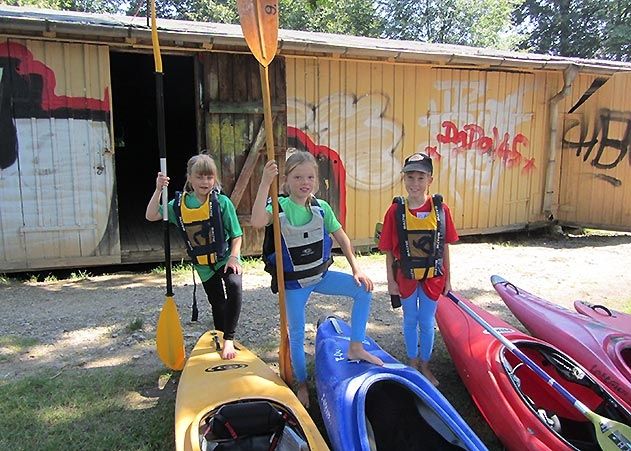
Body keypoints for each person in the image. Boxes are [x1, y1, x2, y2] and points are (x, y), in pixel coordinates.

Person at [251, 151, 383, 407]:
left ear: (317, 180)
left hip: (320, 276)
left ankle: (356, 346)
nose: (305, 182)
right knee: (298, 333)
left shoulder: (321, 208)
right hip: (295, 284)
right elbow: (257, 221)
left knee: (363, 290)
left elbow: (342, 237)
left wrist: (356, 269)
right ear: (286, 180)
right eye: (298, 177)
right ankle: (301, 383)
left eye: (310, 177)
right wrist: (266, 182)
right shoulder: (279, 207)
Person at [146, 153, 243, 360]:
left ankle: (229, 339)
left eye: (209, 177)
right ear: (189, 177)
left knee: (234, 285)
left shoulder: (222, 202)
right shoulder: (177, 205)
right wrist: (158, 190)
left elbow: (236, 235)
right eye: (200, 177)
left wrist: (234, 258)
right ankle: (220, 334)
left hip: (225, 257)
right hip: (203, 265)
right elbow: (151, 215)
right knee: (217, 302)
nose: (205, 182)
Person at [378, 152, 458, 386]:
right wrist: (390, 281)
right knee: (410, 319)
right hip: (406, 276)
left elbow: (444, 246)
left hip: (433, 277)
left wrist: (448, 279)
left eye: (420, 178)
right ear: (404, 179)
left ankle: (425, 364)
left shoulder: (440, 209)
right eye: (410, 177)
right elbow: (388, 250)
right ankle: (412, 363)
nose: (415, 183)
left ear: (430, 180)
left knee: (426, 320)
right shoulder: (396, 211)